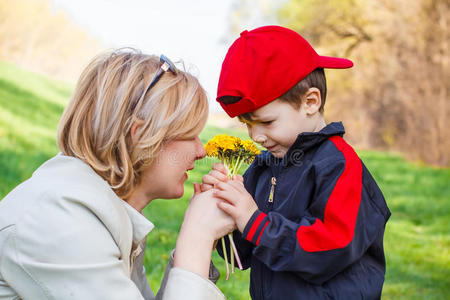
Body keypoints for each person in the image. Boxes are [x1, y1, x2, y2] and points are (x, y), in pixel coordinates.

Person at [0, 49, 232, 299]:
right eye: (191, 136)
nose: (201, 151)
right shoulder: (58, 219)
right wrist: (197, 236)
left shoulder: (100, 208)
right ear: (143, 137)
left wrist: (201, 248)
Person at [202, 25, 391, 299]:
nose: (256, 136)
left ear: (310, 102)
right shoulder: (265, 166)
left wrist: (253, 221)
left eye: (266, 122)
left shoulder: (338, 165)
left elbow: (331, 249)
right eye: (247, 125)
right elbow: (243, 257)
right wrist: (224, 217)